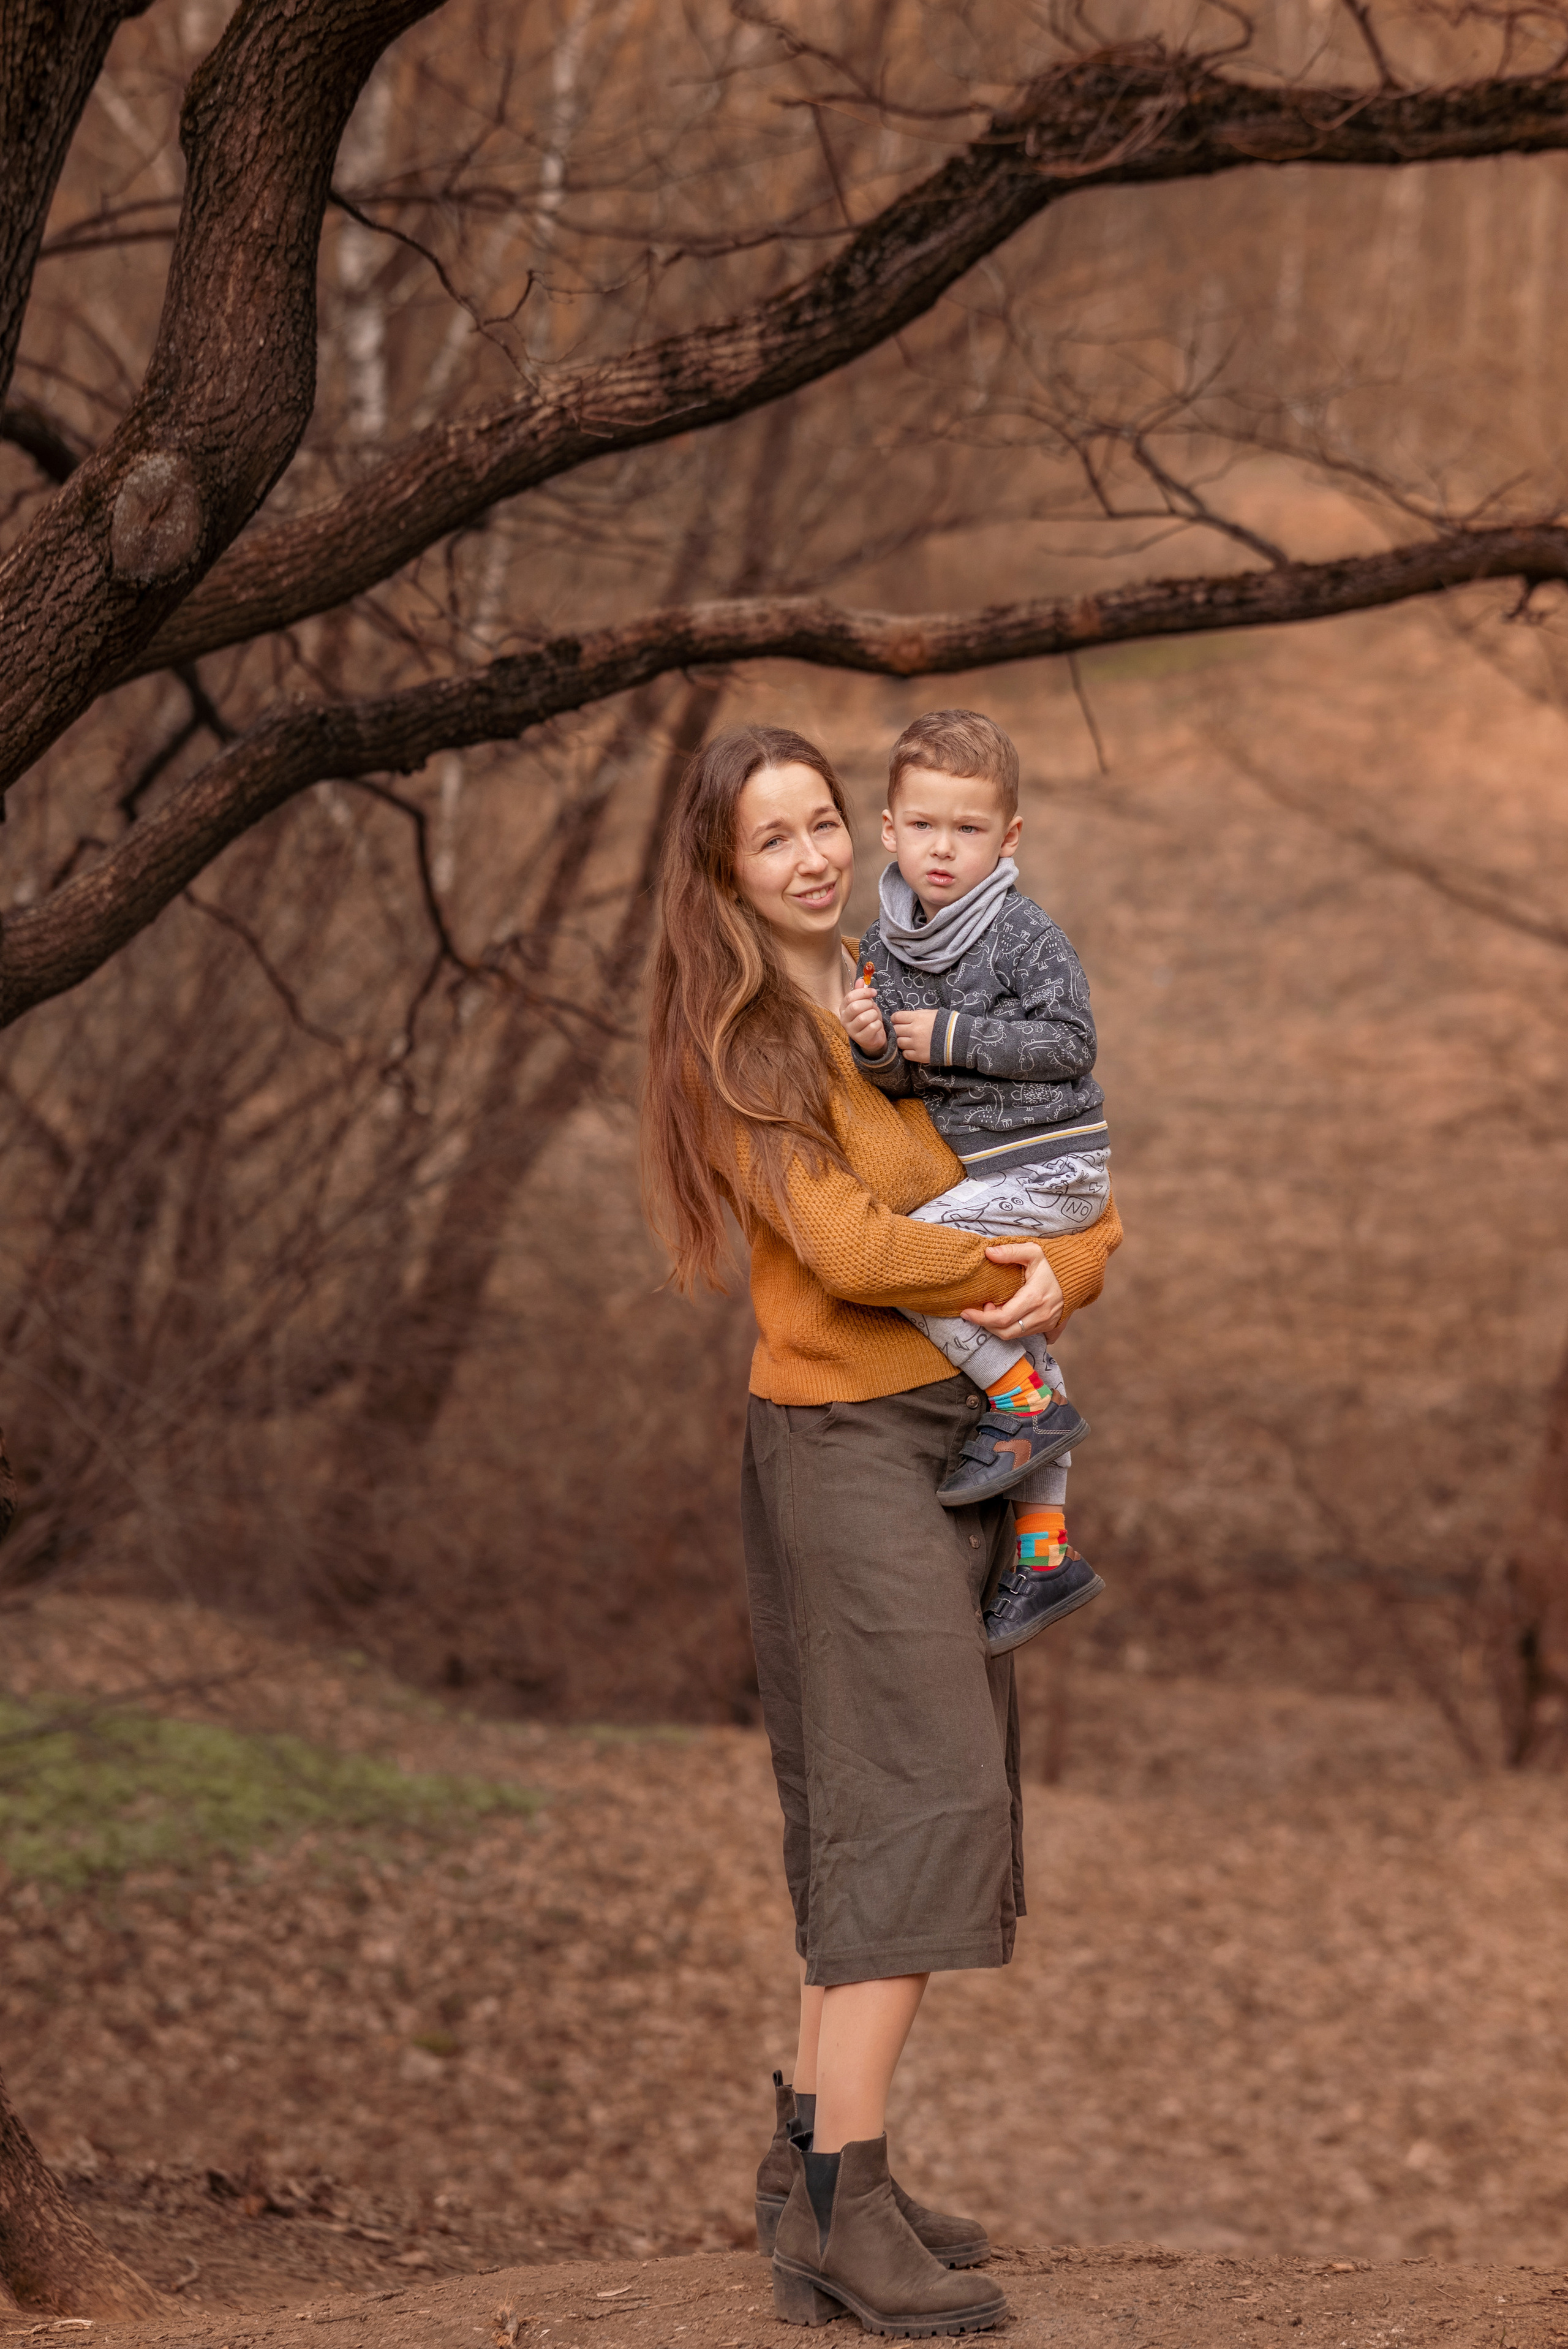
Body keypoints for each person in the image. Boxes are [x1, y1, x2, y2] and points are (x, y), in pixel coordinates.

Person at [641, 724, 1122, 2336]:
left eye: (823, 821)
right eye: (772, 837)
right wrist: (1007, 1266)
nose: (816, 854)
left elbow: (1047, 1160)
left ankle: (811, 2168)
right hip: (843, 1441)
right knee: (919, 1789)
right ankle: (843, 2217)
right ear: (722, 871)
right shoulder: (747, 1037)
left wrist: (1088, 1254)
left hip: (958, 1437)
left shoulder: (898, 987)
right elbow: (848, 1246)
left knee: (883, 1795)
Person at [840, 708, 1114, 1658]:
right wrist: (877, 1050)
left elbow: (1072, 1043)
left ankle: (1024, 1401)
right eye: (923, 826)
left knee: (917, 1255)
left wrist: (952, 1037)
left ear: (1009, 837)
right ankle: (1044, 1551)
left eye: (968, 829)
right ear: (889, 829)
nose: (943, 849)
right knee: (1013, 1318)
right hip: (999, 1170)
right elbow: (910, 1081)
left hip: (1051, 1164)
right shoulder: (886, 945)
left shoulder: (1024, 935)